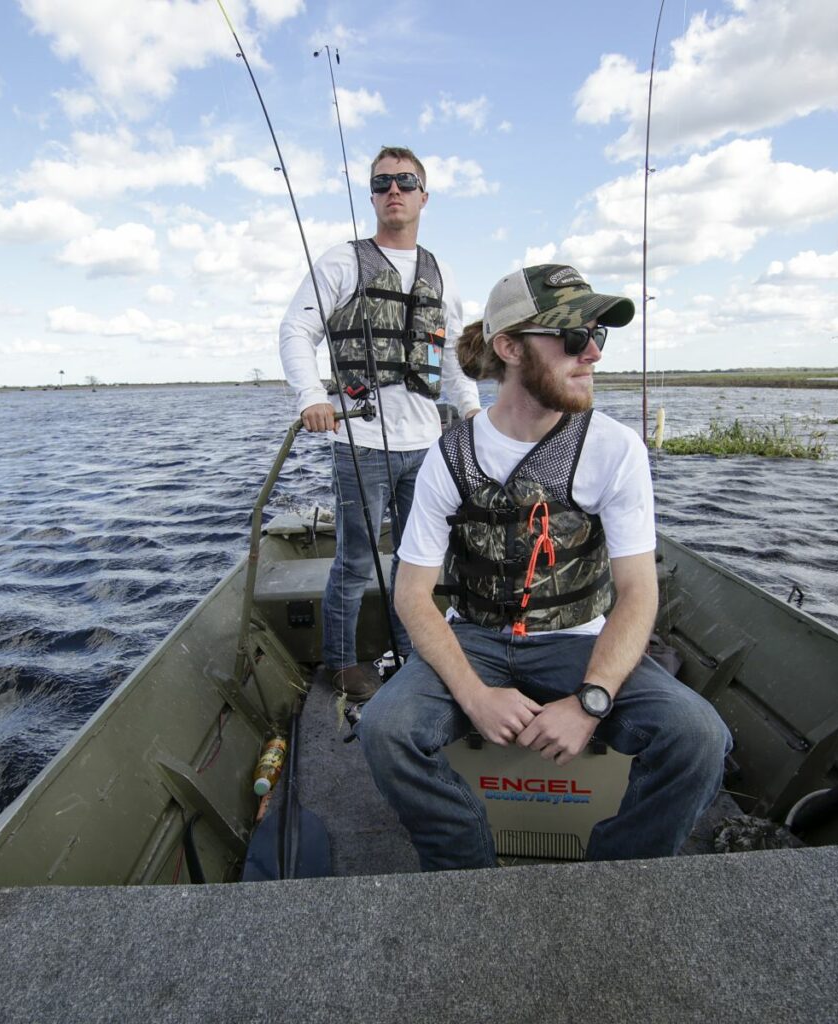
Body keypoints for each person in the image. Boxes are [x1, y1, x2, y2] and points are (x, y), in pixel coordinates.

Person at [357, 263, 731, 871]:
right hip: (474, 638)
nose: (592, 355)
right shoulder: (447, 457)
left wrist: (592, 700)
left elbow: (637, 594)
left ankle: (613, 878)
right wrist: (475, 697)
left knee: (699, 737)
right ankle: (468, 873)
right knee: (385, 729)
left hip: (578, 643)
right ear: (509, 347)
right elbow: (412, 595)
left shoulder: (614, 449)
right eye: (572, 337)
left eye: (598, 337)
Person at [278, 146, 481, 702]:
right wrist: (309, 396)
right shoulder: (342, 261)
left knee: (420, 560)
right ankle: (343, 663)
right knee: (356, 561)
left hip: (428, 445)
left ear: (423, 195)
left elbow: (456, 357)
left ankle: (416, 654)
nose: (395, 190)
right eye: (383, 182)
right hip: (360, 443)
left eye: (406, 181)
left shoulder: (442, 274)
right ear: (372, 195)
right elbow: (296, 332)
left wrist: (472, 412)